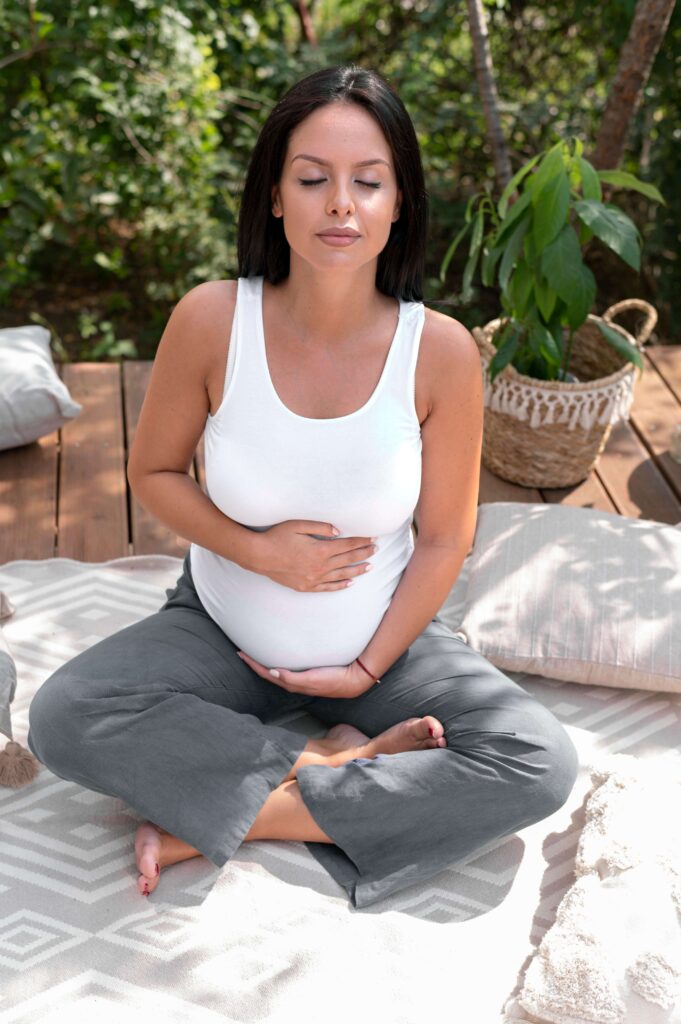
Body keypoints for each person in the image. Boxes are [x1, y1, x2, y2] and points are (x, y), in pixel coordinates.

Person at [26, 64, 578, 909]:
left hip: (381, 645)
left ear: (399, 203)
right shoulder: (212, 319)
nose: (340, 205)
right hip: (219, 629)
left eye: (367, 182)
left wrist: (365, 666)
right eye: (313, 179)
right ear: (275, 196)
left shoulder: (441, 352)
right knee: (66, 715)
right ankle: (336, 763)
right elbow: (154, 473)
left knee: (538, 762)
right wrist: (255, 552)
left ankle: (248, 814)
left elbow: (442, 540)